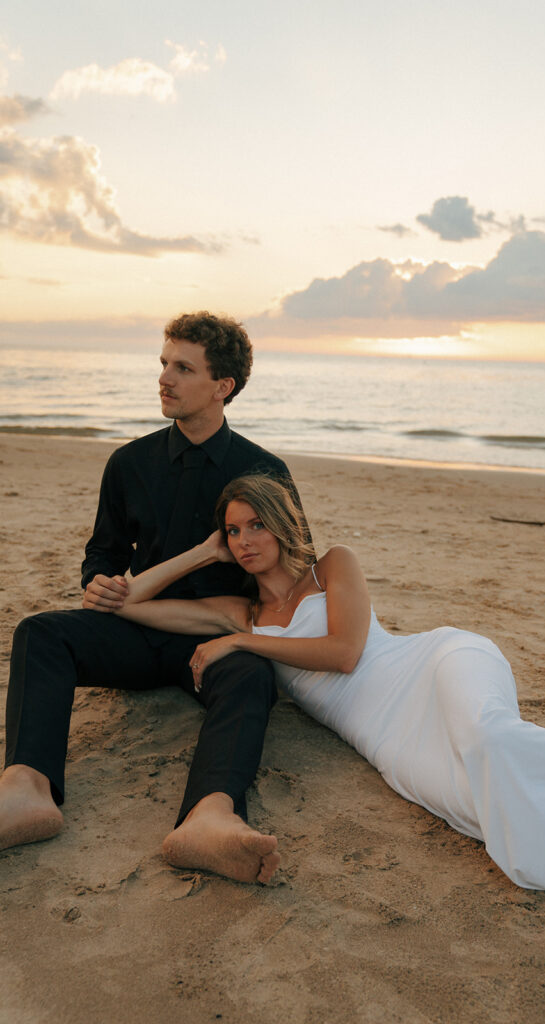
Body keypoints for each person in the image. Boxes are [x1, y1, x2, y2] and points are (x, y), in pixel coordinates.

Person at [104, 473, 545, 894]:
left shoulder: (331, 566)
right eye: (233, 531)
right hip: (389, 741)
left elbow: (345, 652)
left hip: (433, 664)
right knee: (493, 808)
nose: (245, 540)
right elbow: (130, 605)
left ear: (284, 525)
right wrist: (202, 553)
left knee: (491, 740)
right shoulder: (239, 610)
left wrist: (241, 642)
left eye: (256, 524)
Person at [0, 314, 308, 884]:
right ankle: (26, 789)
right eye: (164, 364)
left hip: (217, 640)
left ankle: (208, 818)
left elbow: (290, 568)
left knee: (254, 677)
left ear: (223, 388)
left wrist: (243, 627)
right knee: (39, 632)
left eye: (183, 368)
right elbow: (103, 553)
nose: (164, 378)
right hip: (137, 631)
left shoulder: (265, 472)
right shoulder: (128, 463)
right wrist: (99, 581)